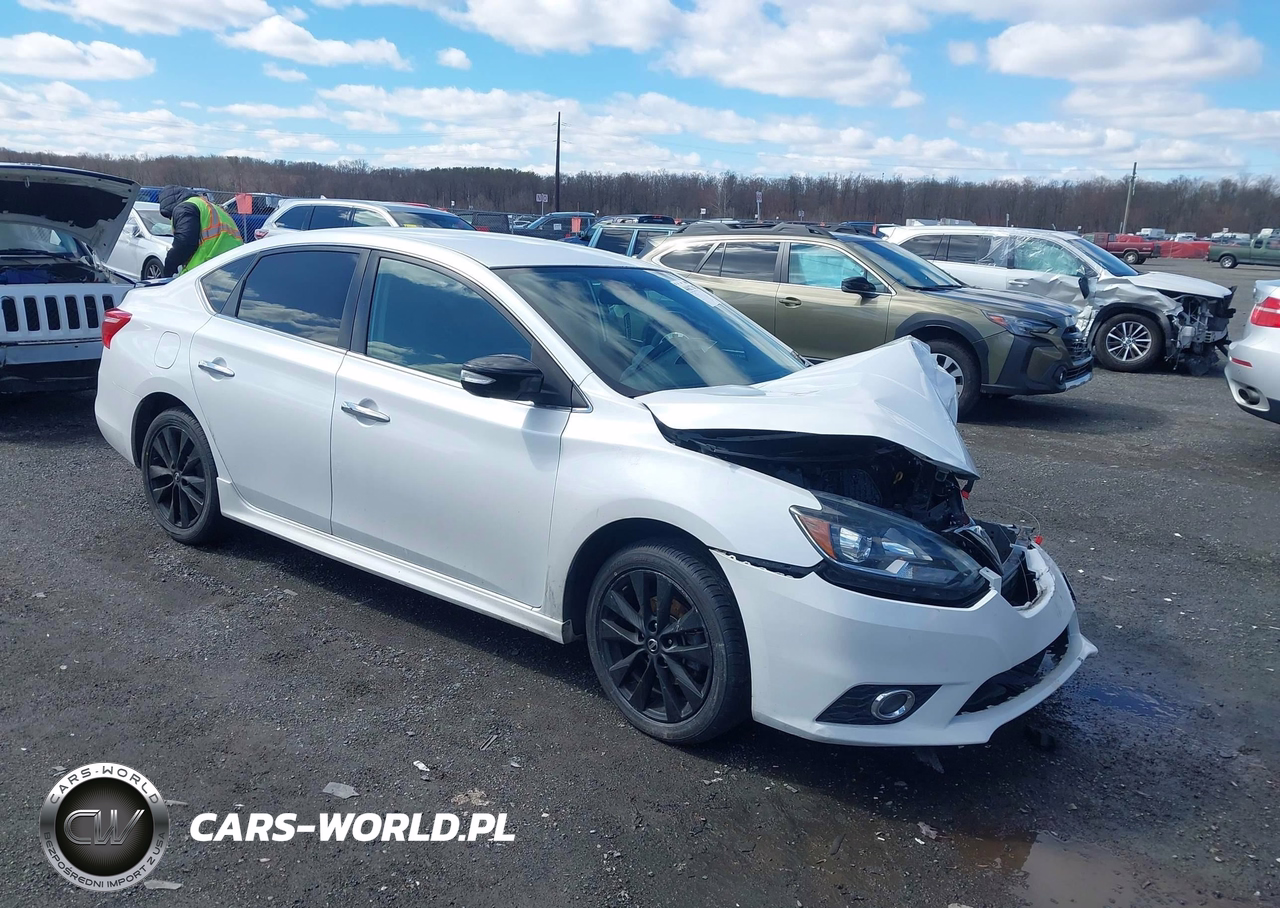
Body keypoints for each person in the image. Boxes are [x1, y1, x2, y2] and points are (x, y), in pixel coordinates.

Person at [157, 185, 243, 277]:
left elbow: (185, 242)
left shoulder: (184, 208)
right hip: (235, 262)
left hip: (208, 268)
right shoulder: (210, 206)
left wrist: (169, 265)